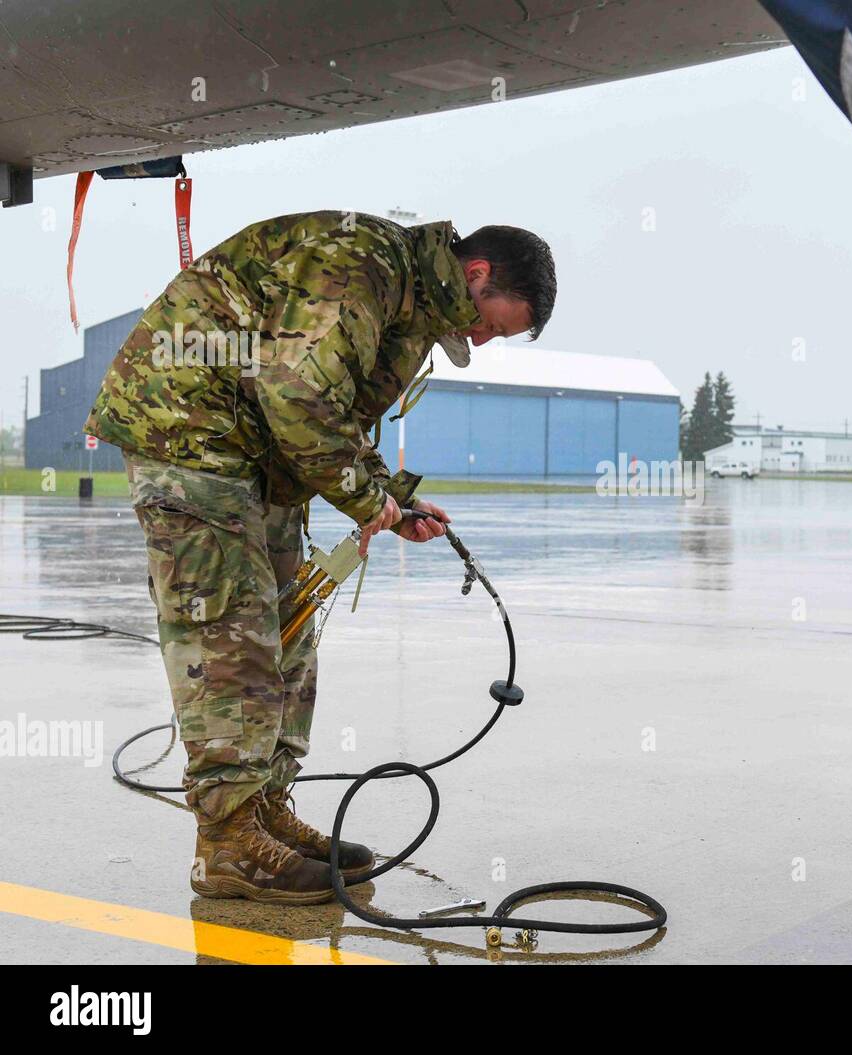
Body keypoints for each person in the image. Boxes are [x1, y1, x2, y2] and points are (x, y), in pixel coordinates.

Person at [86, 210, 556, 903]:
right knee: (231, 639)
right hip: (189, 432)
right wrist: (368, 501)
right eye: (491, 322)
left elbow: (331, 408)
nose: (481, 340)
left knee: (288, 630)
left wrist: (392, 499)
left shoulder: (408, 300)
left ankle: (264, 810)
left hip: (255, 454)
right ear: (477, 275)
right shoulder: (362, 264)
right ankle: (228, 844)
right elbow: (297, 393)